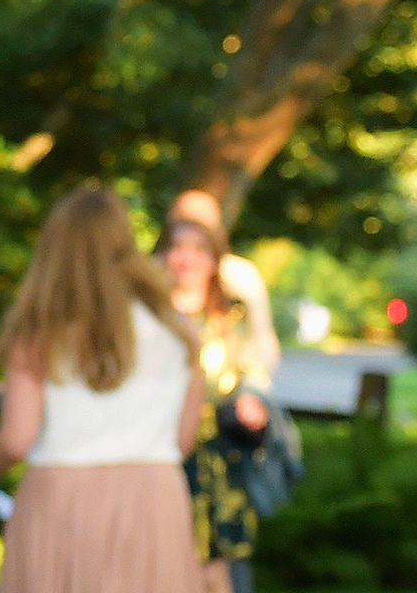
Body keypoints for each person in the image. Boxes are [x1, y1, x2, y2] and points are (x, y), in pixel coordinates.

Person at [0, 184, 203, 593]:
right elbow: (182, 439)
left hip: (63, 500)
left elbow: (16, 441)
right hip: (155, 500)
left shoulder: (39, 334)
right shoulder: (181, 333)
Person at [159, 218, 268, 593]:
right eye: (177, 247)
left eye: (199, 249)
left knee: (221, 574)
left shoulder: (230, 318)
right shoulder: (145, 319)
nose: (186, 258)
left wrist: (252, 400)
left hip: (221, 466)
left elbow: (255, 370)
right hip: (163, 462)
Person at [168, 190, 281, 381]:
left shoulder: (242, 277)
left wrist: (253, 390)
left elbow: (263, 345)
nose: (188, 258)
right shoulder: (147, 277)